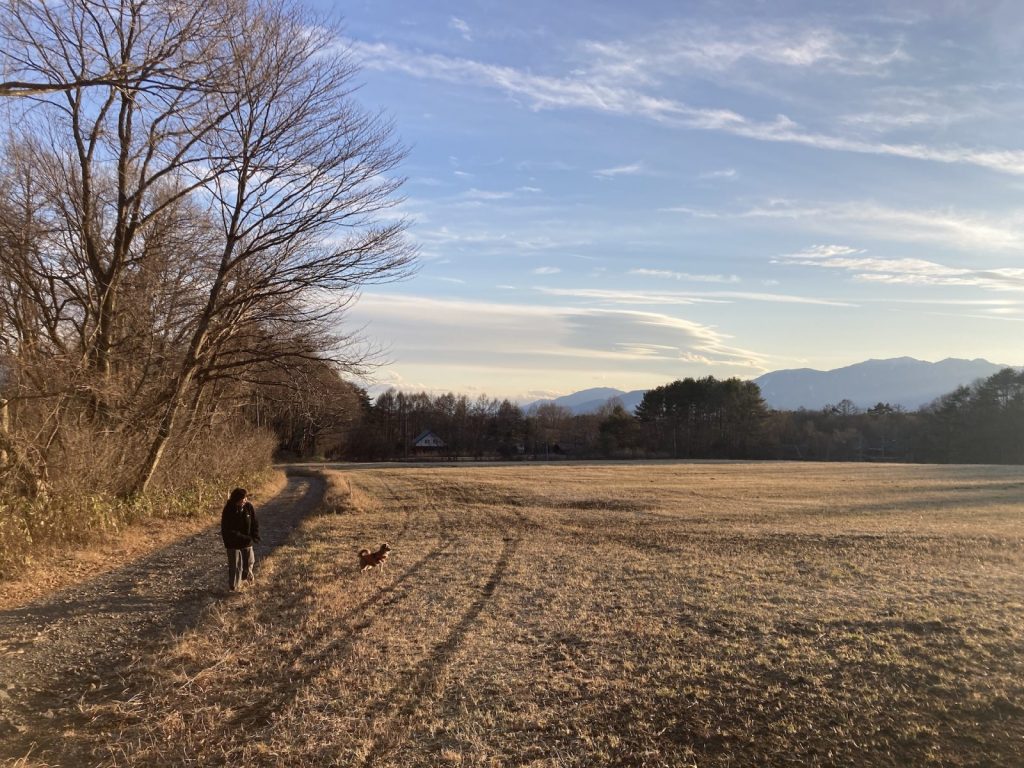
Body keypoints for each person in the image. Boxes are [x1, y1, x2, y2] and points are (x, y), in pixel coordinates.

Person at [220, 487, 260, 591]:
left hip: (247, 541)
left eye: (246, 498)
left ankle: (248, 583)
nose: (245, 500)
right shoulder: (228, 509)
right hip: (233, 543)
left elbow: (254, 523)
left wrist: (255, 535)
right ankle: (234, 587)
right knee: (236, 566)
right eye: (243, 499)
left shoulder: (248, 507)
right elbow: (228, 530)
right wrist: (245, 538)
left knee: (249, 563)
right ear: (236, 499)